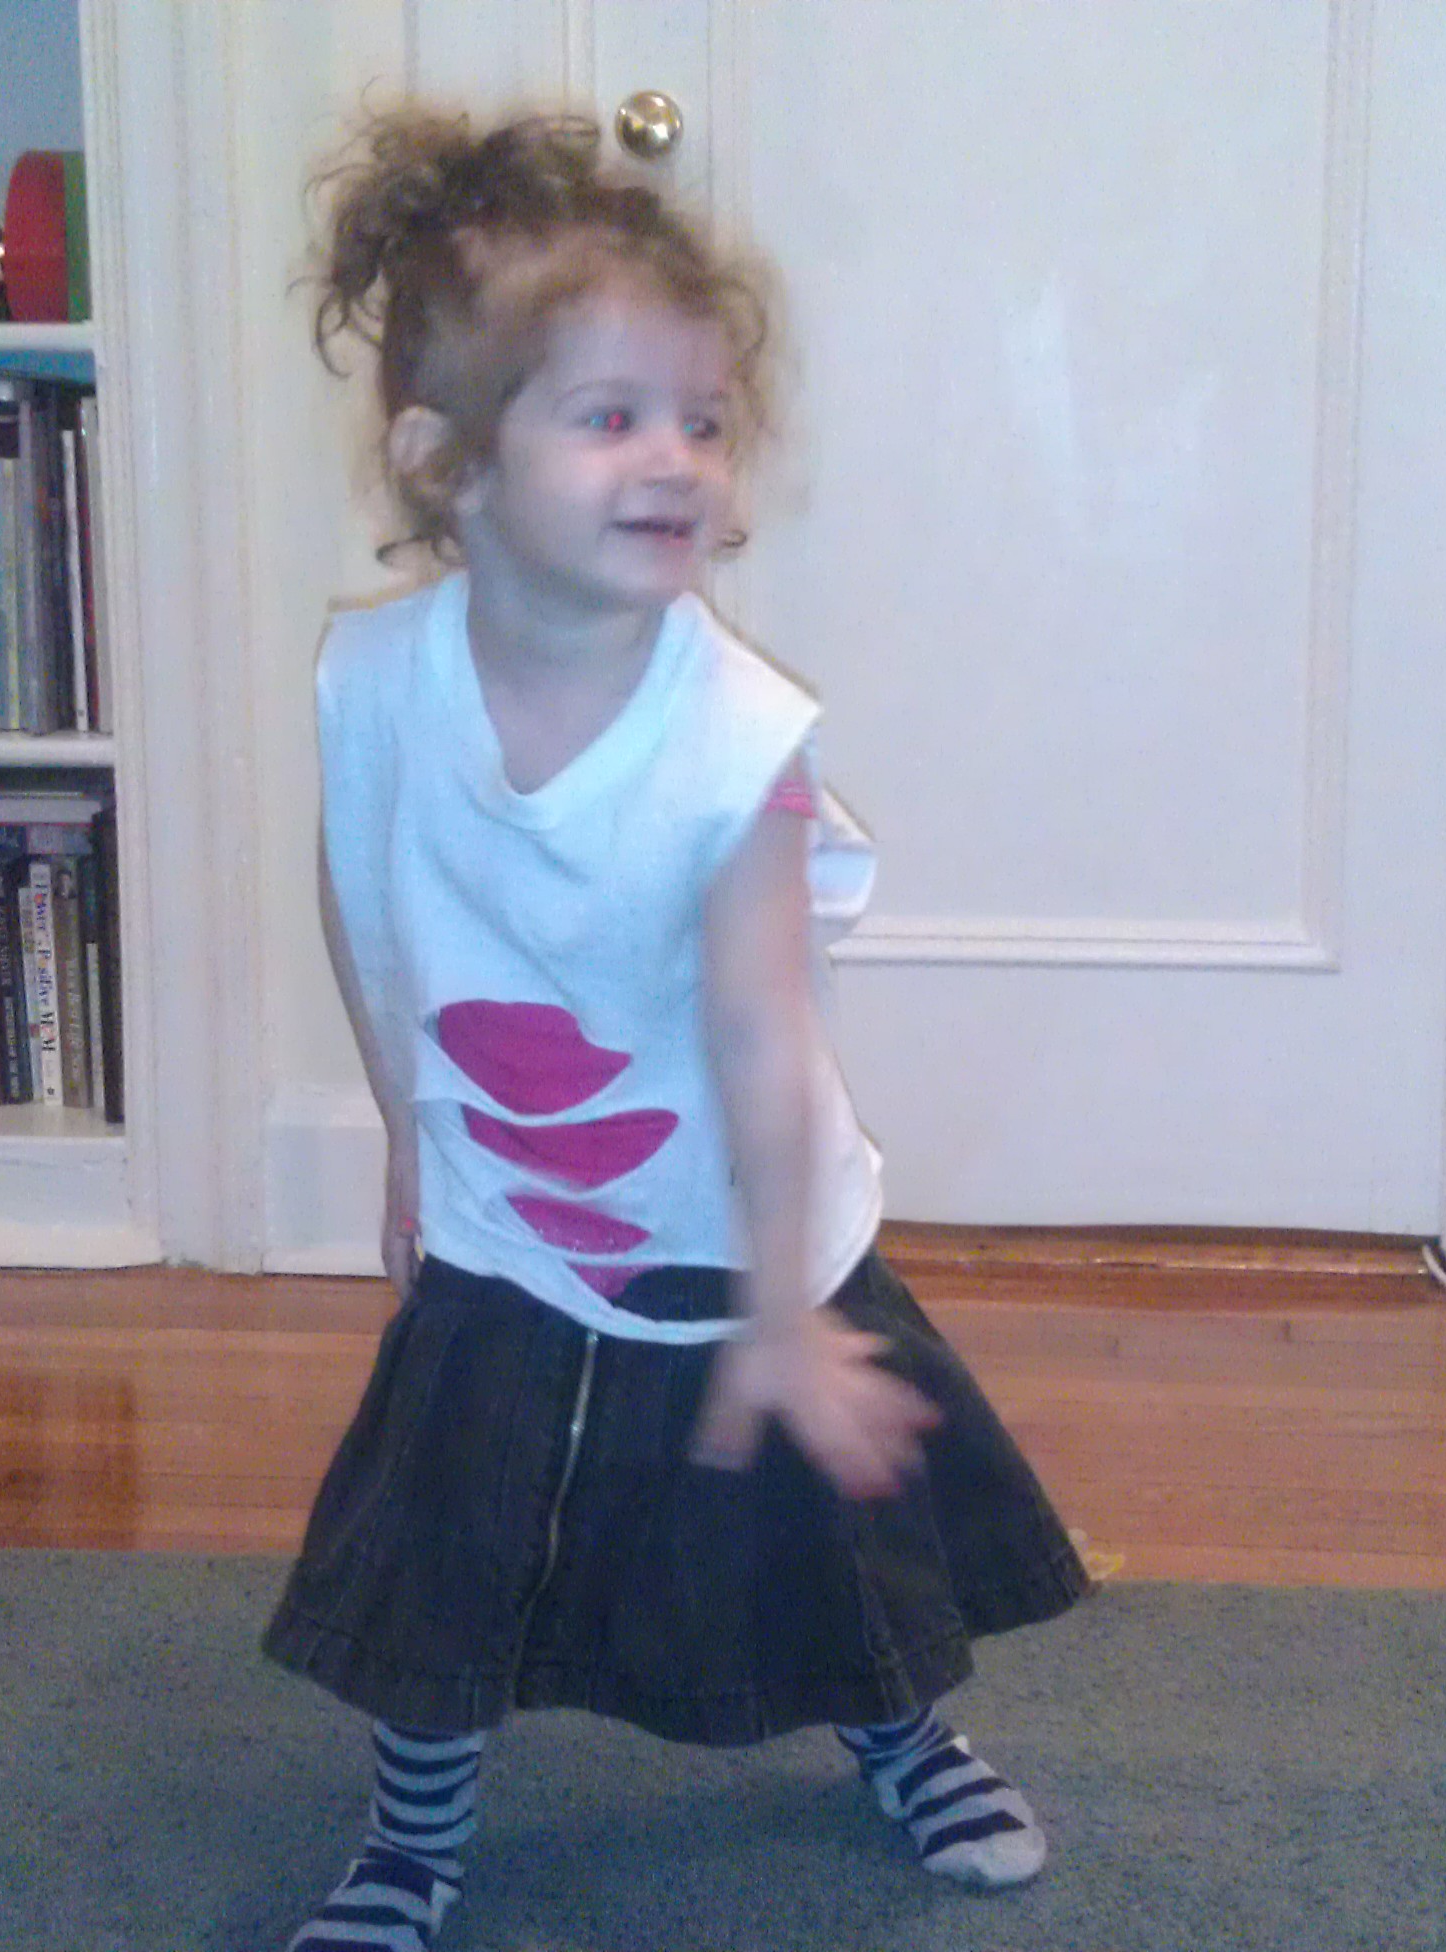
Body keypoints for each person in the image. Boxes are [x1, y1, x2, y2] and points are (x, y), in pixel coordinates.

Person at [264, 105, 1091, 1952]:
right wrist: (406, 1126)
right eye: (610, 415)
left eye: (704, 421)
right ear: (448, 461)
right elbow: (368, 902)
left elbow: (763, 1038)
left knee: (831, 1540)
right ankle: (411, 1838)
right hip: (508, 1223)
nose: (677, 458)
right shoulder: (376, 682)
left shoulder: (732, 752)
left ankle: (903, 1736)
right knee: (446, 1547)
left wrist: (790, 1316)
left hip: (744, 1232)